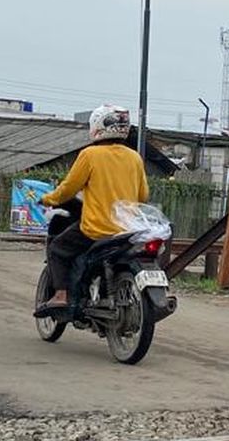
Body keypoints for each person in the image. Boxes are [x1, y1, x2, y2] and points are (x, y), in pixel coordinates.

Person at [34, 105, 149, 316]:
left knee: (58, 248)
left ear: (97, 126)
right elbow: (143, 196)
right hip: (127, 228)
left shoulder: (90, 155)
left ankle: (61, 295)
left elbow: (68, 189)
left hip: (97, 229)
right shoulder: (135, 157)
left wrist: (48, 199)